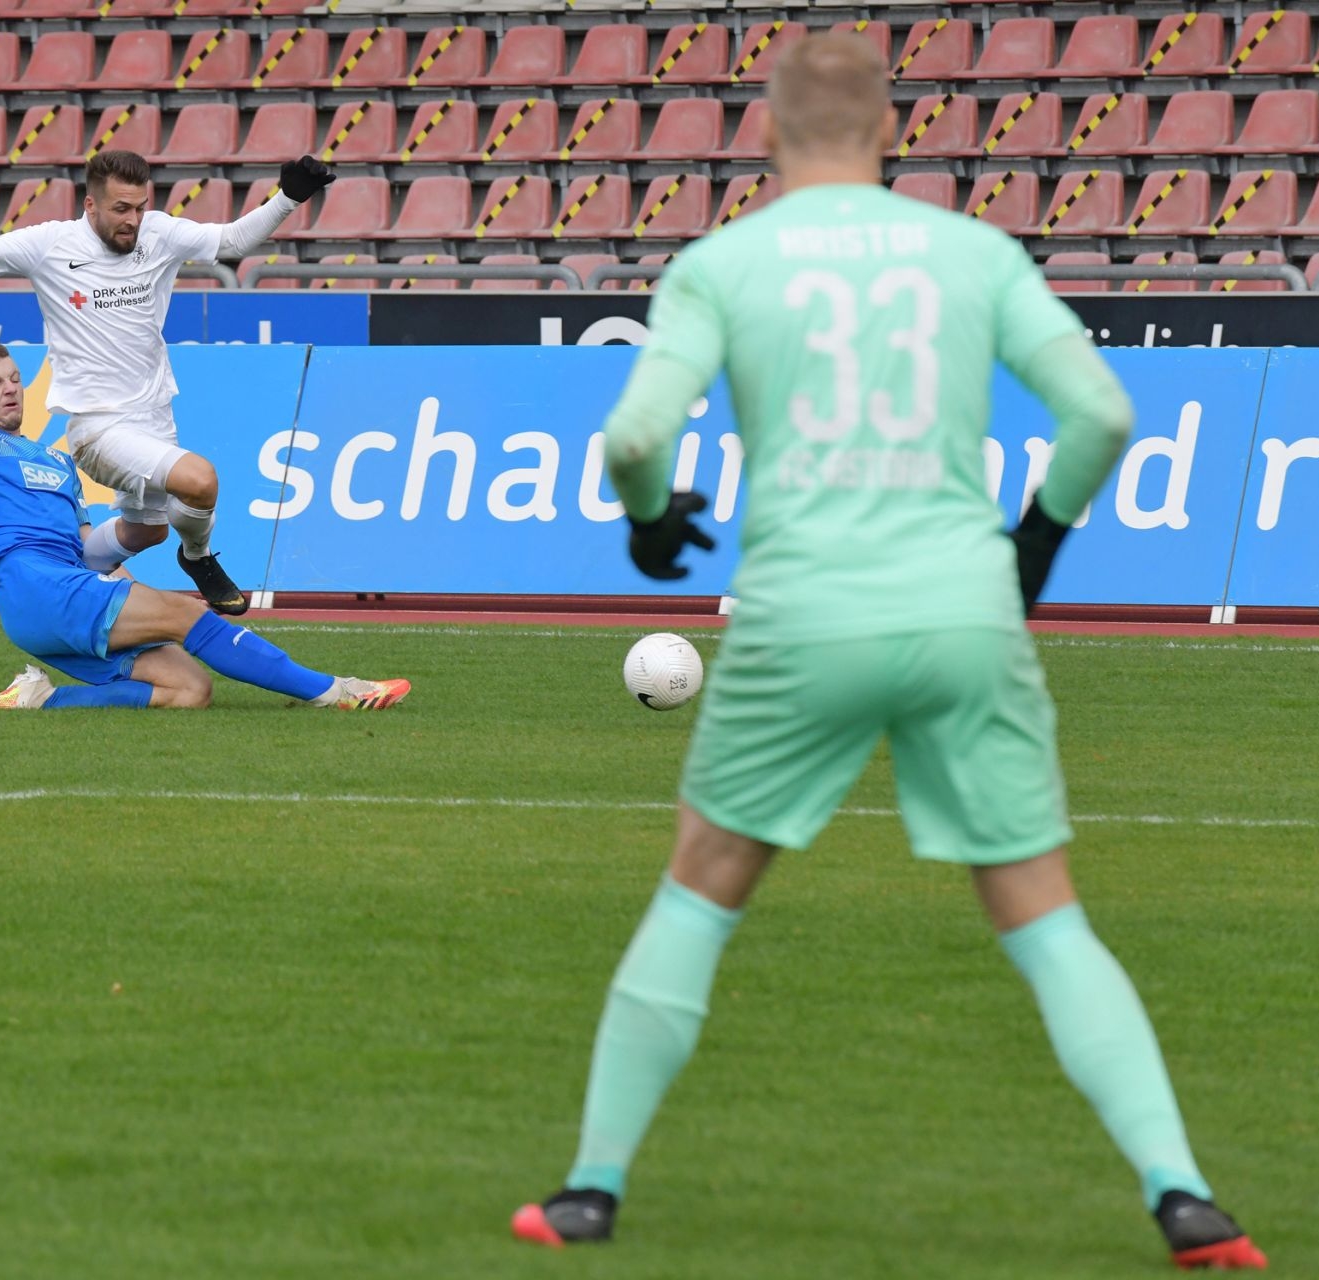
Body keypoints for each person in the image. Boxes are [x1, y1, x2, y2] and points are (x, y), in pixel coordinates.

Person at [509, 32, 1265, 1271]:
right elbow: (1102, 411)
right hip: (963, 608)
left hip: (805, 615)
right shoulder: (971, 252)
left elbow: (635, 435)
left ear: (764, 135)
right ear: (888, 135)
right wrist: (1033, 548)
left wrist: (653, 528)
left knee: (699, 890)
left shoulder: (725, 261)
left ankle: (590, 1189)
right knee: (1047, 917)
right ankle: (1186, 1195)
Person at [0, 149, 336, 617]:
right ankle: (198, 558)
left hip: (155, 415)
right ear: (90, 205)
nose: (133, 220)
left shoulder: (160, 233)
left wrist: (289, 196)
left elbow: (232, 241)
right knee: (200, 480)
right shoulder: (50, 244)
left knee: (146, 531)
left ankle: (51, 580)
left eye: (139, 207)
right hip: (98, 427)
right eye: (120, 209)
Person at [0, 340, 409, 714]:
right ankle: (334, 692)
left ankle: (38, 700)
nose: (9, 389)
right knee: (186, 613)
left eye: (14, 378)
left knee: (189, 689)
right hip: (33, 586)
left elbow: (84, 547)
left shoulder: (57, 464)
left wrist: (125, 558)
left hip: (65, 587)